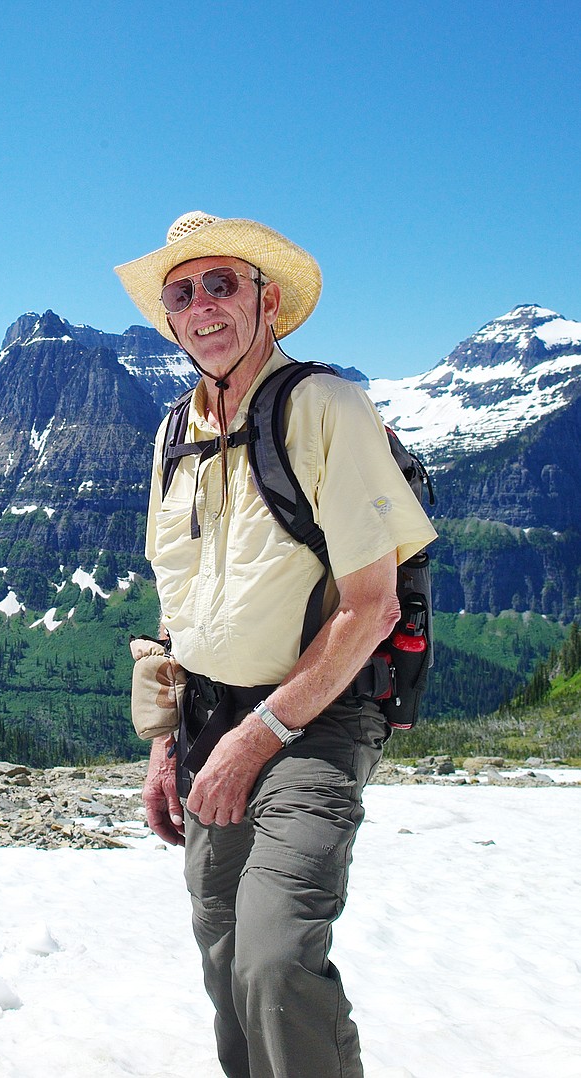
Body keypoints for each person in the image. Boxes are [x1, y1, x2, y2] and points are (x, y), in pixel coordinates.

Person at [115, 212, 436, 1077]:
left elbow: (368, 608)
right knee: (224, 964)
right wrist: (163, 751)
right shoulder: (171, 430)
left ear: (272, 300)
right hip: (207, 723)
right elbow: (176, 605)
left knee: (274, 963)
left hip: (314, 720)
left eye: (224, 283)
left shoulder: (323, 405)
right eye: (182, 293)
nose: (202, 306)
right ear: (170, 320)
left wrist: (254, 742)